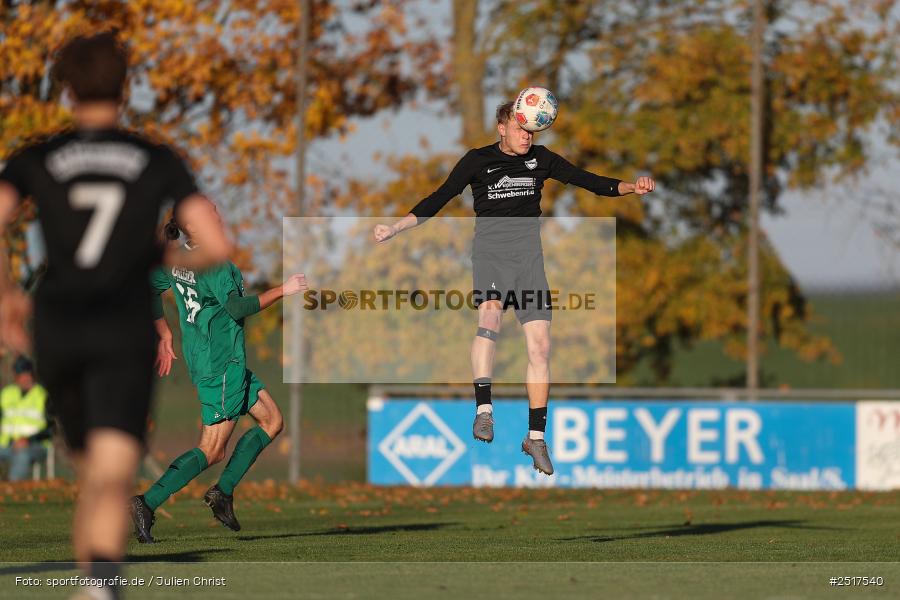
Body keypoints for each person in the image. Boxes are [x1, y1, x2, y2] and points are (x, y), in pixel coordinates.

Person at [0, 32, 229, 600]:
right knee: (113, 465)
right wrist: (156, 254)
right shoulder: (154, 158)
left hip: (60, 324)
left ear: (67, 88)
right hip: (122, 324)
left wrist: (7, 291)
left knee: (91, 470)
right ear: (124, 89)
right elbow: (218, 246)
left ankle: (97, 584)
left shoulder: (38, 157)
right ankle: (102, 582)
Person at [373, 101, 655, 475]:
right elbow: (440, 197)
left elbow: (589, 180)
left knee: (541, 347)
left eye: (532, 130)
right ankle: (484, 411)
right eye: (520, 128)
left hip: (529, 263)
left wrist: (631, 188)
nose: (527, 135)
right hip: (491, 257)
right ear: (502, 127)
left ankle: (535, 438)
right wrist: (395, 227)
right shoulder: (477, 160)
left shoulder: (543, 159)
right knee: (491, 317)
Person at [130, 206, 308, 543]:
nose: (218, 216)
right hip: (221, 365)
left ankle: (223, 493)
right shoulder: (215, 264)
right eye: (210, 214)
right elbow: (238, 308)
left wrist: (165, 335)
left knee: (272, 421)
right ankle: (146, 503)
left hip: (219, 362)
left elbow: (150, 288)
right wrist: (285, 289)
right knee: (212, 450)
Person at [0, 356, 51, 481]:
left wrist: (28, 440)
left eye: (27, 374)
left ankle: (13, 489)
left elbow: (51, 429)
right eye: (21, 374)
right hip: (6, 444)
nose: (24, 378)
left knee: (22, 454)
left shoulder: (43, 396)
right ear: (15, 376)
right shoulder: (6, 394)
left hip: (35, 445)